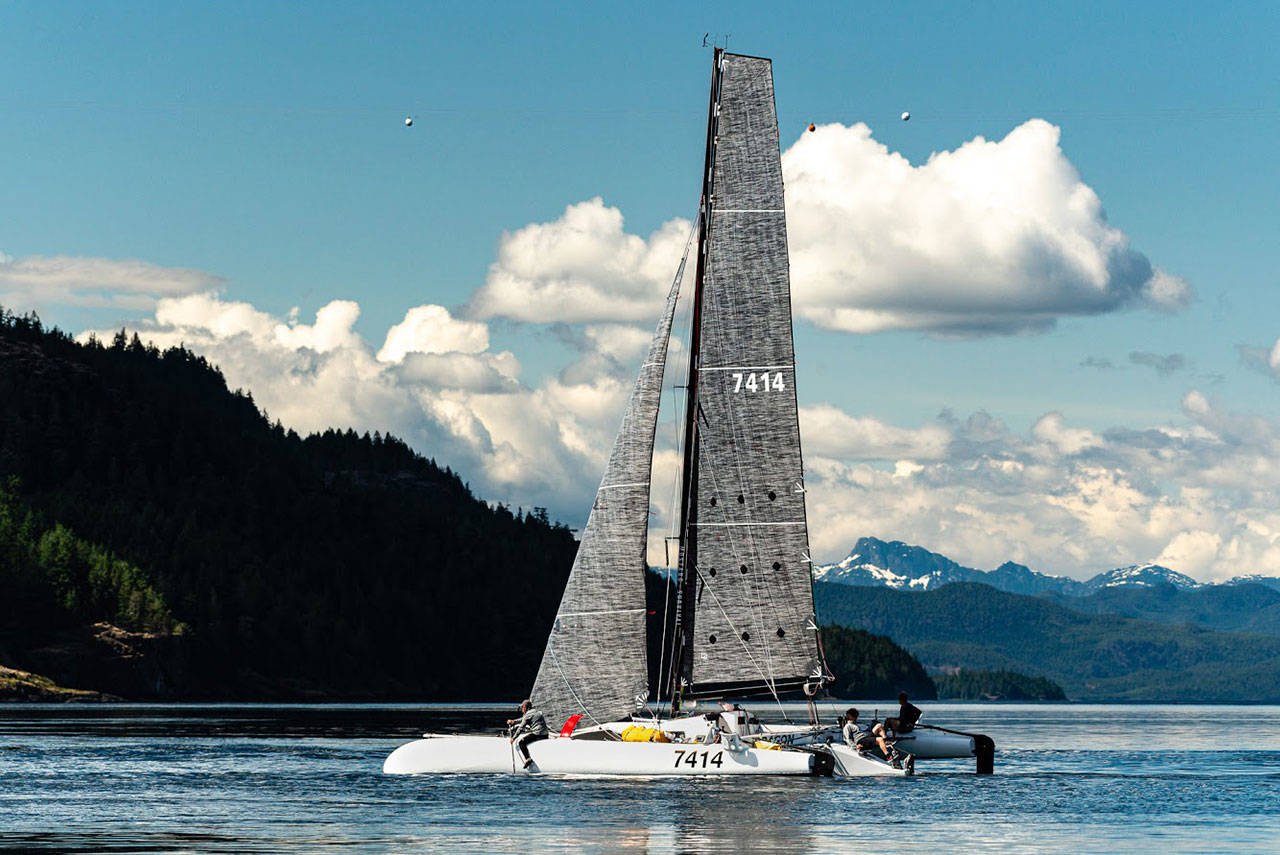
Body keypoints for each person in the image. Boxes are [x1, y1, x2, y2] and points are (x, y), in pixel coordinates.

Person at [873, 692, 923, 766]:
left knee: (890, 721)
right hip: (903, 725)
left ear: (902, 700)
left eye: (899, 700)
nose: (898, 701)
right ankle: (885, 734)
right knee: (889, 720)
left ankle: (889, 738)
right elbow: (901, 718)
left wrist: (912, 722)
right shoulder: (903, 706)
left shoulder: (909, 706)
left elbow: (919, 712)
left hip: (906, 727)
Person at [507, 699, 549, 769]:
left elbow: (521, 728)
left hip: (537, 734)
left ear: (526, 708)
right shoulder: (536, 711)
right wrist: (514, 721)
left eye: (523, 707)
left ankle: (528, 759)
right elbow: (524, 719)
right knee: (531, 734)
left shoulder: (528, 715)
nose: (522, 709)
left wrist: (513, 738)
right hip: (545, 734)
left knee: (521, 742)